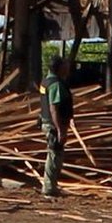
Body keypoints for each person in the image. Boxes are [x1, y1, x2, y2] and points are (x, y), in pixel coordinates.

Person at [37, 53, 72, 197]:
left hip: (45, 121)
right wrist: (60, 130)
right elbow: (53, 108)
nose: (68, 68)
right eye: (65, 65)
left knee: (54, 153)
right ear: (59, 68)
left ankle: (51, 185)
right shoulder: (56, 85)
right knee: (54, 154)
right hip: (53, 124)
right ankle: (49, 187)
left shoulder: (45, 82)